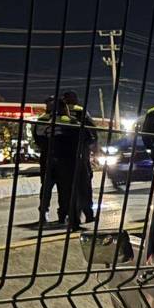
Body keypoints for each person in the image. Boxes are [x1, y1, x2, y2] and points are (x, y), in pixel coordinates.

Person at [62, 91, 97, 223]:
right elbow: (92, 130)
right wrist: (91, 145)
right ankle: (87, 214)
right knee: (84, 185)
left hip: (63, 157)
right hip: (81, 154)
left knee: (68, 187)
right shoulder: (81, 112)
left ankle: (68, 215)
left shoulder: (56, 115)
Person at [31, 95, 63, 227]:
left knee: (60, 188)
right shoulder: (43, 119)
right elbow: (38, 138)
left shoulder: (60, 118)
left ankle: (62, 214)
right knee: (47, 188)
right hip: (52, 157)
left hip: (56, 157)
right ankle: (44, 214)